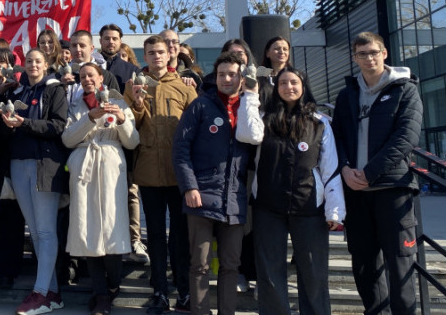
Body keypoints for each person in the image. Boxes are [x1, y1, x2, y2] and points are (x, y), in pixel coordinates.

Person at [332, 32, 423, 315]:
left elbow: (406, 137)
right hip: (356, 194)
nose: (369, 58)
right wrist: (345, 169)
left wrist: (370, 173)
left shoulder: (405, 90)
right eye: (362, 54)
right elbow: (338, 137)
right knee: (364, 264)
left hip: (392, 189)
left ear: (384, 53)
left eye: (373, 52)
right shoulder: (347, 95)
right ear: (354, 58)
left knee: (400, 261)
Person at [173, 51, 264, 315]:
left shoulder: (249, 106)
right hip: (201, 197)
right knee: (199, 265)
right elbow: (181, 149)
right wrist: (189, 187)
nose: (226, 79)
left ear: (241, 77)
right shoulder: (201, 105)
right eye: (222, 74)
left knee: (230, 265)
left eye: (232, 74)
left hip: (235, 200)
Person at [252, 66, 345, 315]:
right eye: (282, 83)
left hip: (309, 207)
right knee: (270, 272)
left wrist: (334, 210)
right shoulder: (263, 118)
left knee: (314, 273)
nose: (288, 87)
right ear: (276, 87)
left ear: (303, 86)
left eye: (294, 82)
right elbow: (245, 135)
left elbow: (331, 169)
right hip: (268, 206)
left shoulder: (320, 123)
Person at [124, 35, 197, 314]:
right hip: (148, 172)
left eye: (160, 52)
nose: (156, 57)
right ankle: (159, 292)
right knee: (154, 234)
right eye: (150, 53)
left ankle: (184, 291)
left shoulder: (185, 87)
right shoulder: (133, 86)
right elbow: (130, 127)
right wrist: (138, 103)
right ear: (144, 56)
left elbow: (195, 129)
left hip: (179, 173)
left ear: (170, 55)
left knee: (179, 235)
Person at [63, 63, 139, 315]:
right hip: (83, 167)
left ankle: (113, 285)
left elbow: (132, 141)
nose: (86, 79)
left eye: (91, 75)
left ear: (101, 78)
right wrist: (89, 118)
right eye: (82, 76)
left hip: (110, 168)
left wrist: (120, 119)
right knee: (87, 229)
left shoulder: (119, 102)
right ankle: (100, 293)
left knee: (112, 227)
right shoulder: (74, 105)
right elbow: (68, 139)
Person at [0, 48, 69, 315]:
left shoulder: (55, 89)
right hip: (19, 164)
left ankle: (40, 292)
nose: (33, 65)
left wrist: (24, 123)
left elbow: (58, 127)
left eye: (38, 61)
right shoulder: (16, 92)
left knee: (46, 231)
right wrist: (8, 124)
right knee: (35, 231)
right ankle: (50, 292)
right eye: (29, 61)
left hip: (45, 166)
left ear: (46, 64)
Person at [97, 24, 146, 265]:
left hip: (124, 137)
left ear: (120, 41)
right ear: (100, 41)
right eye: (106, 39)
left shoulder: (131, 70)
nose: (110, 42)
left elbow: (139, 105)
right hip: (96, 139)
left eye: (115, 39)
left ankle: (133, 239)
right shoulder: (93, 67)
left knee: (129, 192)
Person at [0, 48, 26, 288]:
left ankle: (10, 269)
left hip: (14, 158)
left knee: (12, 217)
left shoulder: (20, 90)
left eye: (4, 61)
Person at [258, 36, 292, 105]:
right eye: (277, 49)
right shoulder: (258, 77)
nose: (282, 52)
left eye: (285, 49)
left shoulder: (297, 76)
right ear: (267, 53)